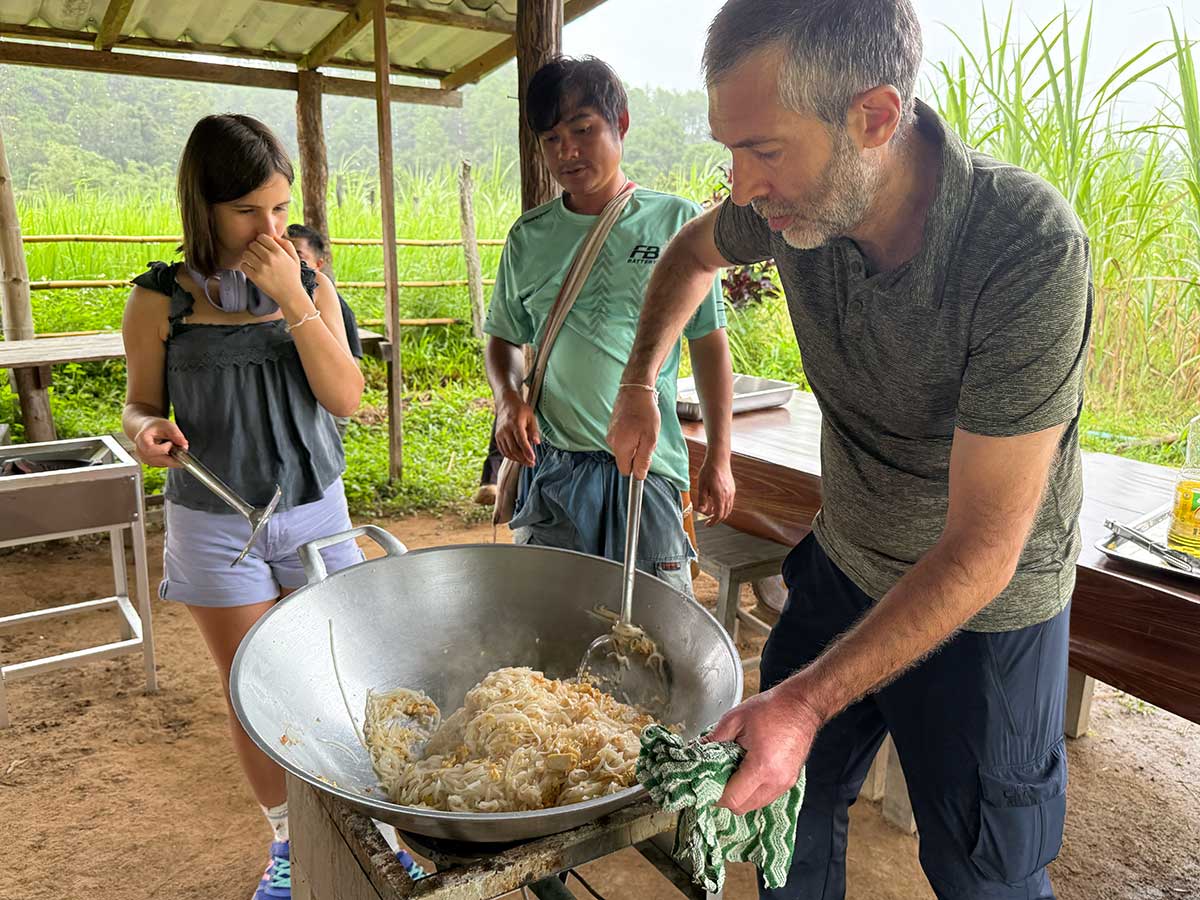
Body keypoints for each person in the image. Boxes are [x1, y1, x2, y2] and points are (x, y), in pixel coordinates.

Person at [606, 2, 1093, 897]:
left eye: (763, 149)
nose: (741, 185)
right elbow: (690, 252)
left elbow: (985, 546)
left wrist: (805, 698)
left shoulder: (1025, 249)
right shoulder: (795, 205)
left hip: (989, 605)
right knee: (780, 805)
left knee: (982, 868)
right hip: (848, 554)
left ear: (872, 117)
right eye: (731, 150)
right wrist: (640, 382)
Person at [122, 114, 365, 900]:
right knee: (252, 687)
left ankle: (372, 832)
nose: (269, 227)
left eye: (279, 207)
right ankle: (290, 846)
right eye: (246, 211)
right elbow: (138, 406)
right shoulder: (161, 301)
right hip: (215, 523)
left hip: (315, 511)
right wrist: (145, 432)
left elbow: (347, 397)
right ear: (204, 207)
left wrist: (291, 292)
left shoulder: (309, 280)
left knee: (338, 674)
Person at [484, 55, 736, 597]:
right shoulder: (528, 238)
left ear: (620, 125)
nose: (567, 151)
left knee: (653, 630)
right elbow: (503, 336)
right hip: (553, 470)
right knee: (551, 627)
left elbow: (708, 345)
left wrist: (719, 455)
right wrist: (508, 397)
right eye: (551, 138)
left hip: (646, 471)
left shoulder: (675, 224)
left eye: (583, 129)